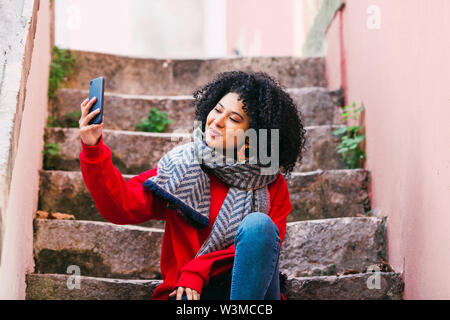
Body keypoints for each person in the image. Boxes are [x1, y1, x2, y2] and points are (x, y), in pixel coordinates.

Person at [78, 71, 306, 300]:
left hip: (249, 293)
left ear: (252, 138)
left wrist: (198, 270)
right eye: (217, 110)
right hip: (188, 294)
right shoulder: (181, 167)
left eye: (234, 119)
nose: (217, 121)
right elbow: (122, 205)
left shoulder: (271, 185)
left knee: (259, 226)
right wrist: (93, 147)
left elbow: (262, 248)